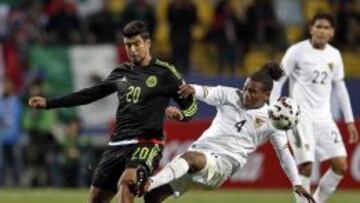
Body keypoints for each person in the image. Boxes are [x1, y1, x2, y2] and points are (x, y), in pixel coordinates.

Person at [28, 20, 197, 203]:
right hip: (117, 144)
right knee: (94, 200)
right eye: (128, 45)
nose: (132, 50)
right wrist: (49, 103)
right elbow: (89, 94)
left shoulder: (166, 73)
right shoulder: (120, 72)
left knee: (127, 184)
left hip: (147, 143)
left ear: (148, 43)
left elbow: (191, 105)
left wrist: (183, 115)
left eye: (136, 44)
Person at [143, 62, 315, 203]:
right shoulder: (231, 95)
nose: (246, 93)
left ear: (267, 95)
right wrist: (193, 89)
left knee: (188, 158)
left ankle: (149, 182)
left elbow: (284, 154)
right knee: (153, 197)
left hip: (223, 164)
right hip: (201, 153)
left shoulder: (272, 121)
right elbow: (207, 92)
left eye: (253, 91)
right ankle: (151, 187)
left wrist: (296, 183)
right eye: (246, 88)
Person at [270, 12, 359, 203]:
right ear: (311, 29)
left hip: (325, 119)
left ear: (332, 32)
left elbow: (340, 87)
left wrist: (349, 120)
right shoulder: (296, 51)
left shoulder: (334, 55)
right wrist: (272, 109)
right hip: (300, 118)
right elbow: (279, 79)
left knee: (341, 166)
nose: (322, 31)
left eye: (326, 27)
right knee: (306, 167)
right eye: (318, 26)